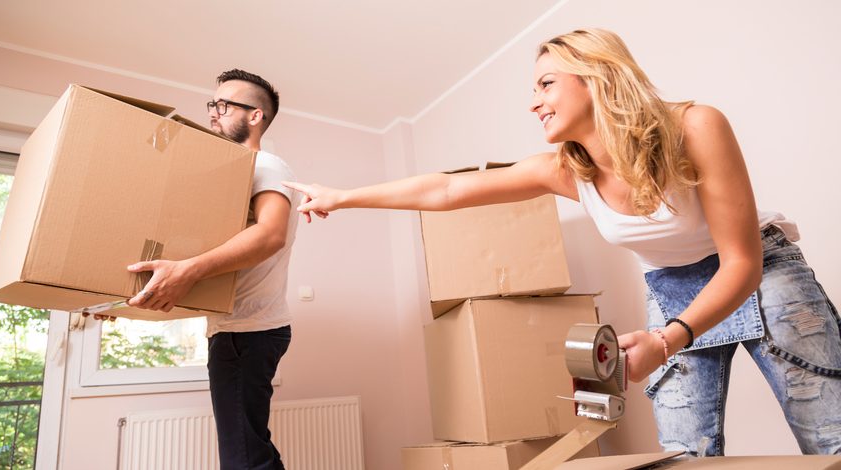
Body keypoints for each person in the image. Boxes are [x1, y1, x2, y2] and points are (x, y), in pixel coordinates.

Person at [283, 29, 841, 456]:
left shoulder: (694, 127)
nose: (534, 102)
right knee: (684, 455)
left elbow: (739, 262)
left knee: (829, 435)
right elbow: (449, 189)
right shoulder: (566, 171)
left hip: (762, 268)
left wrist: (667, 341)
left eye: (546, 83)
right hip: (673, 286)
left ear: (596, 76)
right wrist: (343, 196)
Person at [126, 69, 300, 470]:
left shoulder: (266, 165)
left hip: (248, 333)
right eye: (212, 105)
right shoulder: (233, 178)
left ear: (255, 116)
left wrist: (189, 270)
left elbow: (271, 234)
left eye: (224, 105)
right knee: (250, 451)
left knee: (244, 458)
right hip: (240, 333)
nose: (212, 113)